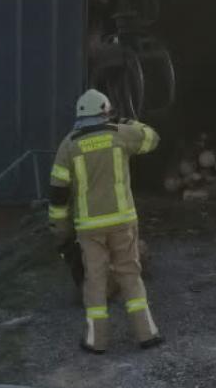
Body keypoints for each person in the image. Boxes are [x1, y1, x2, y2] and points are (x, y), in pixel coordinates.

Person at [48, 88, 163, 354]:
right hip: (123, 222)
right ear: (105, 112)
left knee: (95, 281)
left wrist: (61, 232)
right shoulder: (119, 133)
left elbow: (58, 195)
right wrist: (126, 121)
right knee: (130, 275)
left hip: (90, 228)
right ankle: (147, 334)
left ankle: (96, 341)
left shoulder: (69, 145)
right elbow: (152, 138)